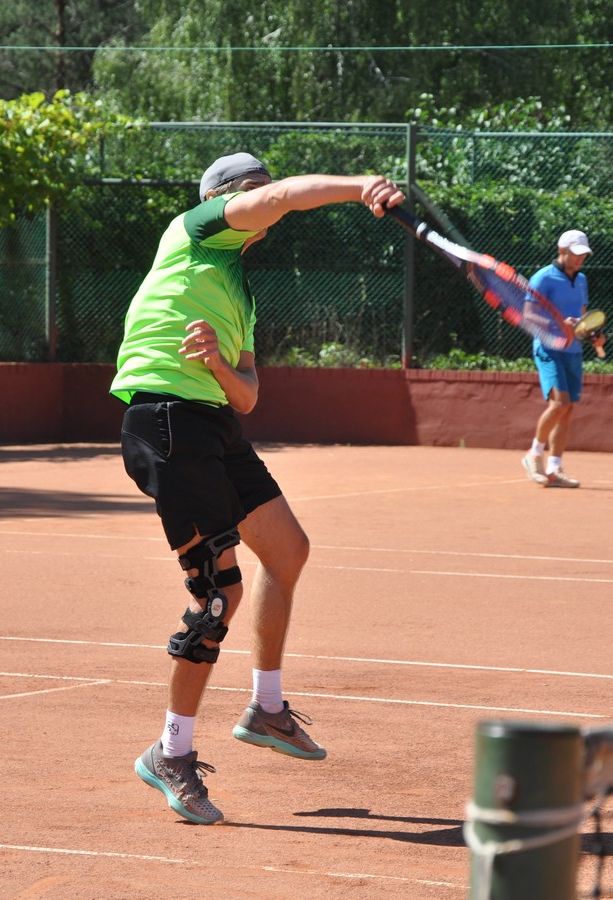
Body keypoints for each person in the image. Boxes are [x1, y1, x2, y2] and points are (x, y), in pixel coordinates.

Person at [112, 152, 405, 824]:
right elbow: (286, 199)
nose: (264, 199)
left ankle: (266, 708)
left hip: (214, 423)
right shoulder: (194, 230)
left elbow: (246, 395)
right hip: (165, 418)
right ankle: (170, 753)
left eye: (265, 189)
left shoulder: (237, 290)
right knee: (218, 593)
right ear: (220, 200)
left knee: (287, 549)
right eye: (252, 190)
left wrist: (218, 362)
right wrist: (360, 186)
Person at [520, 229, 605, 488]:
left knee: (568, 409)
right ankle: (534, 455)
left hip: (573, 351)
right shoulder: (543, 277)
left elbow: (581, 318)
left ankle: (554, 469)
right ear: (562, 251)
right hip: (548, 348)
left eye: (583, 255)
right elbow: (528, 315)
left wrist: (593, 336)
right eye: (576, 254)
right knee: (560, 403)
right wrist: (558, 323)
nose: (580, 259)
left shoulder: (582, 280)